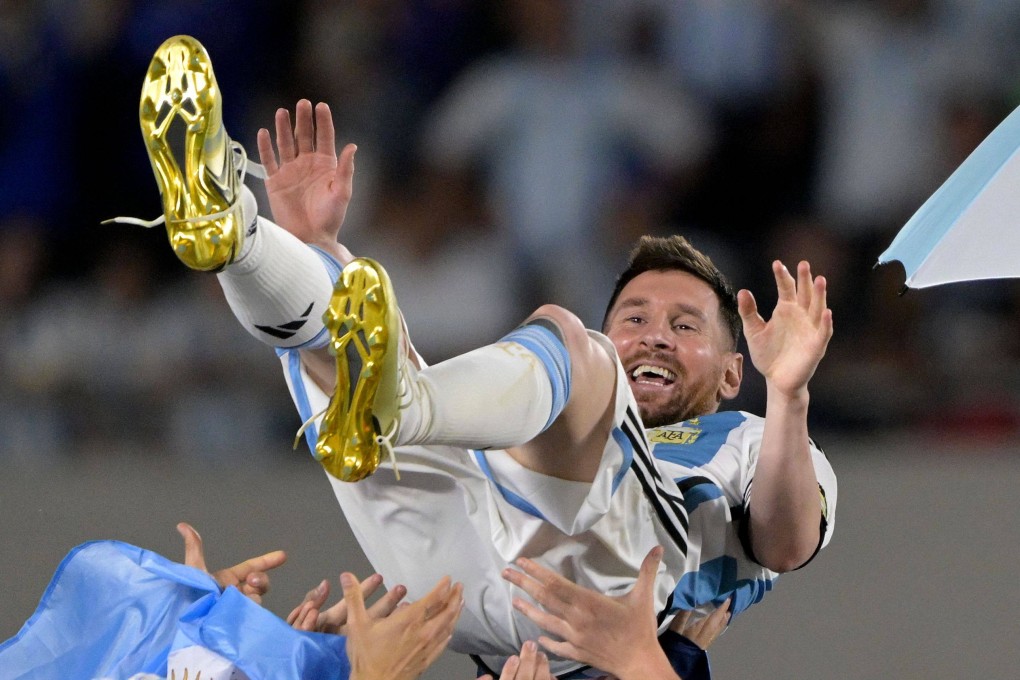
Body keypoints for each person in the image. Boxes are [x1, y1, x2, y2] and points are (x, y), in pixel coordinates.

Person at [124, 35, 836, 678]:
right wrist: (308, 250)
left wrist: (790, 394)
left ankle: (394, 402)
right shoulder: (546, 413)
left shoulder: (752, 439)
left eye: (685, 325)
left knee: (563, 342)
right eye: (634, 317)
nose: (652, 335)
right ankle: (235, 234)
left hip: (595, 609)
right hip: (459, 589)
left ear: (732, 371)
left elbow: (785, 542)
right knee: (339, 303)